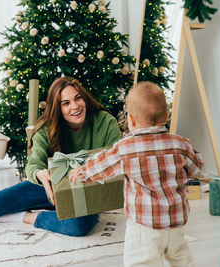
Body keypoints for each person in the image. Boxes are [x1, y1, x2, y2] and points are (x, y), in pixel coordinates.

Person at [69, 81, 203, 266]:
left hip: (144, 225)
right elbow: (197, 167)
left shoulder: (126, 148)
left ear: (130, 120)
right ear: (166, 115)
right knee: (181, 259)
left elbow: (103, 164)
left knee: (141, 262)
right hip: (176, 223)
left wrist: (82, 171)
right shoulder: (180, 144)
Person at [0, 76, 121, 236]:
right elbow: (34, 163)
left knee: (78, 226)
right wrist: (39, 173)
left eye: (78, 98)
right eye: (66, 103)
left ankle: (26, 217)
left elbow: (117, 160)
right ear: (57, 107)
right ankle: (48, 209)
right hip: (50, 188)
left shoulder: (106, 121)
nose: (75, 106)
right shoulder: (47, 128)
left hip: (87, 190)